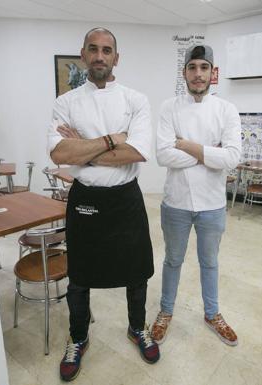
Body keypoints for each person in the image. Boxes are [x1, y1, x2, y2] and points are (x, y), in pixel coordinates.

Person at [48, 27, 159, 382]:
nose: (99, 56)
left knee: (137, 271)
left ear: (116, 57)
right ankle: (78, 338)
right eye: (93, 49)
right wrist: (112, 140)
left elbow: (138, 152)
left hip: (126, 199)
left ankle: (137, 328)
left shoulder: (135, 100)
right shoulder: (65, 103)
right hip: (85, 200)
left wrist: (85, 150)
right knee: (79, 276)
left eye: (106, 50)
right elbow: (60, 152)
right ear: (83, 54)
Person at [151, 45, 242, 346]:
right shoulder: (169, 107)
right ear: (185, 72)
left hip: (212, 204)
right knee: (173, 260)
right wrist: (209, 152)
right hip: (175, 202)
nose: (198, 74)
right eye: (193, 67)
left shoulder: (226, 110)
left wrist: (186, 145)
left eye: (204, 67)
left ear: (212, 72)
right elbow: (163, 156)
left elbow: (232, 158)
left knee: (210, 262)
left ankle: (212, 313)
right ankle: (165, 312)